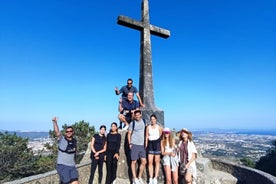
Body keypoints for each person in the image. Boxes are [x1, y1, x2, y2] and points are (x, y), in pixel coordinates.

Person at [52, 117, 79, 184]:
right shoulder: (62, 139)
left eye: (70, 131)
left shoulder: (74, 141)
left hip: (72, 166)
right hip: (63, 166)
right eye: (67, 131)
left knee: (76, 182)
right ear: (65, 132)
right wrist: (55, 123)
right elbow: (57, 132)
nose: (69, 132)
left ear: (73, 132)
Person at [128, 110, 147, 184]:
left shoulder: (144, 121)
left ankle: (139, 177)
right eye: (136, 115)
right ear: (134, 116)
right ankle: (134, 178)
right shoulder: (132, 123)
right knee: (134, 161)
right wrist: (130, 143)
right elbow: (129, 133)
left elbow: (147, 130)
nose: (137, 116)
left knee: (144, 161)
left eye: (139, 115)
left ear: (141, 115)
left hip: (142, 145)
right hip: (134, 144)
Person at [145, 114, 163, 184]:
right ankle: (151, 177)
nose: (152, 121)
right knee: (150, 161)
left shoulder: (159, 127)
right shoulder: (148, 127)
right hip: (150, 144)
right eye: (151, 119)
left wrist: (162, 147)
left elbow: (161, 138)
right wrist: (146, 145)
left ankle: (155, 178)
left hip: (157, 144)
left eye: (154, 119)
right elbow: (146, 137)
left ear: (156, 120)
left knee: (157, 161)